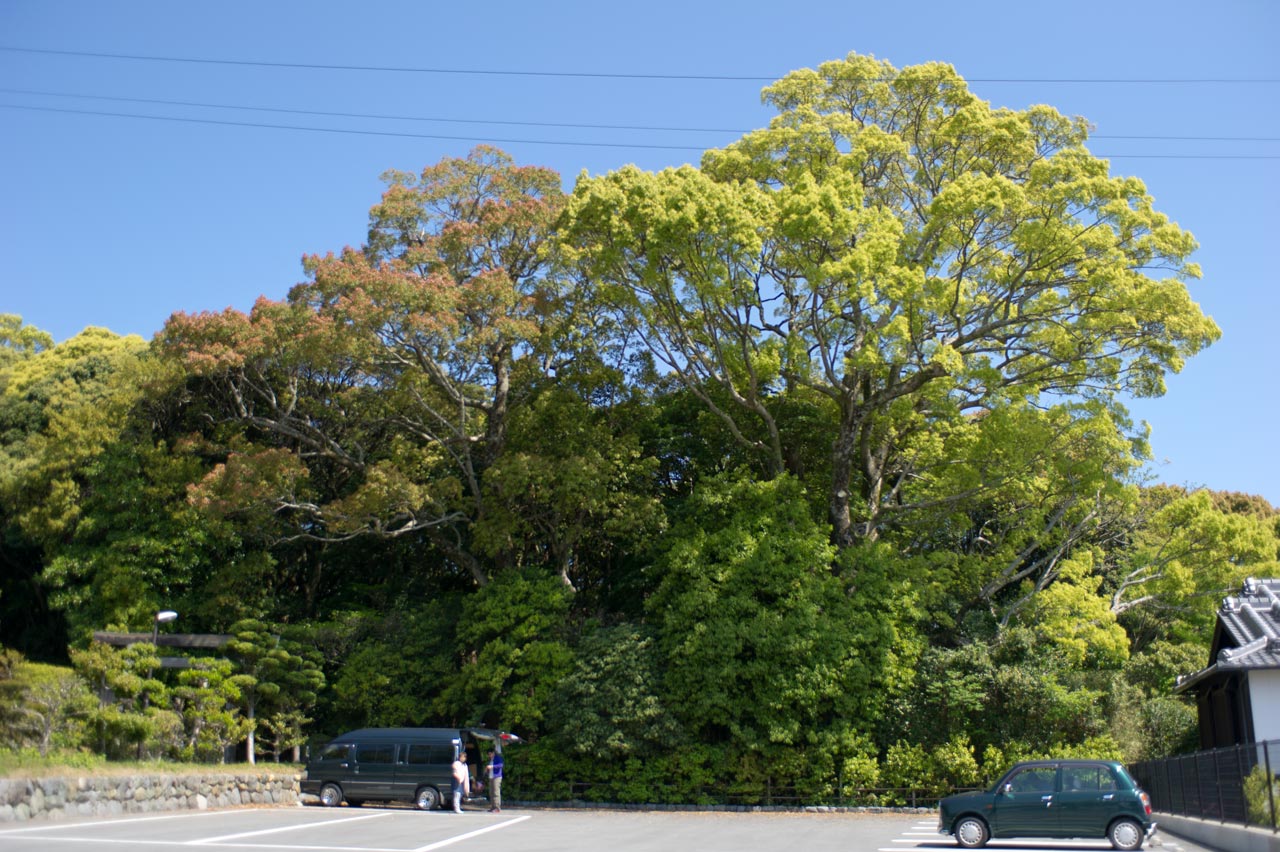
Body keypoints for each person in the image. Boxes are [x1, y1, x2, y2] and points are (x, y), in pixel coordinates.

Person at [486, 748, 504, 813]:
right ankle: (492, 807)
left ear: (493, 753)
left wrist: (492, 766)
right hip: (491, 777)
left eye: (490, 754)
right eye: (488, 754)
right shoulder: (491, 759)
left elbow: (500, 765)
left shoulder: (498, 758)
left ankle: (497, 807)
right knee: (491, 792)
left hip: (497, 777)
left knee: (496, 792)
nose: (489, 755)